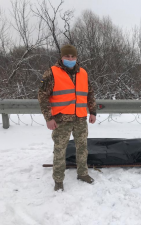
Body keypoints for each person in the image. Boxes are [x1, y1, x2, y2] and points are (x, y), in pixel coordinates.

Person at [38, 44, 97, 191]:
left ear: (76, 57)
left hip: (80, 118)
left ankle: (82, 173)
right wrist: (48, 118)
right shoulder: (51, 73)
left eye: (73, 56)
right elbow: (43, 97)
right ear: (61, 57)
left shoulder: (83, 73)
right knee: (60, 150)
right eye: (67, 56)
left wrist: (93, 111)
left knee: (82, 148)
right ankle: (58, 180)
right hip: (60, 120)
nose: (70, 59)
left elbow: (90, 93)